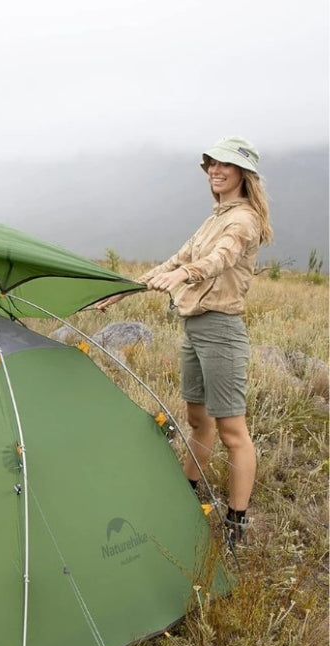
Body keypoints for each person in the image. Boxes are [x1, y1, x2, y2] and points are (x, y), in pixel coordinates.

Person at [96, 136, 273, 547]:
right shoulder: (215, 217)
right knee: (197, 420)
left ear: (243, 173)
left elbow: (220, 258)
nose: (215, 169)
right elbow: (177, 259)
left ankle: (236, 524)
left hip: (222, 331)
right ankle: (188, 495)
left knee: (232, 429)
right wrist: (127, 289)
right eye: (211, 163)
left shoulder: (242, 220)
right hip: (194, 328)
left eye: (225, 165)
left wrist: (185, 276)